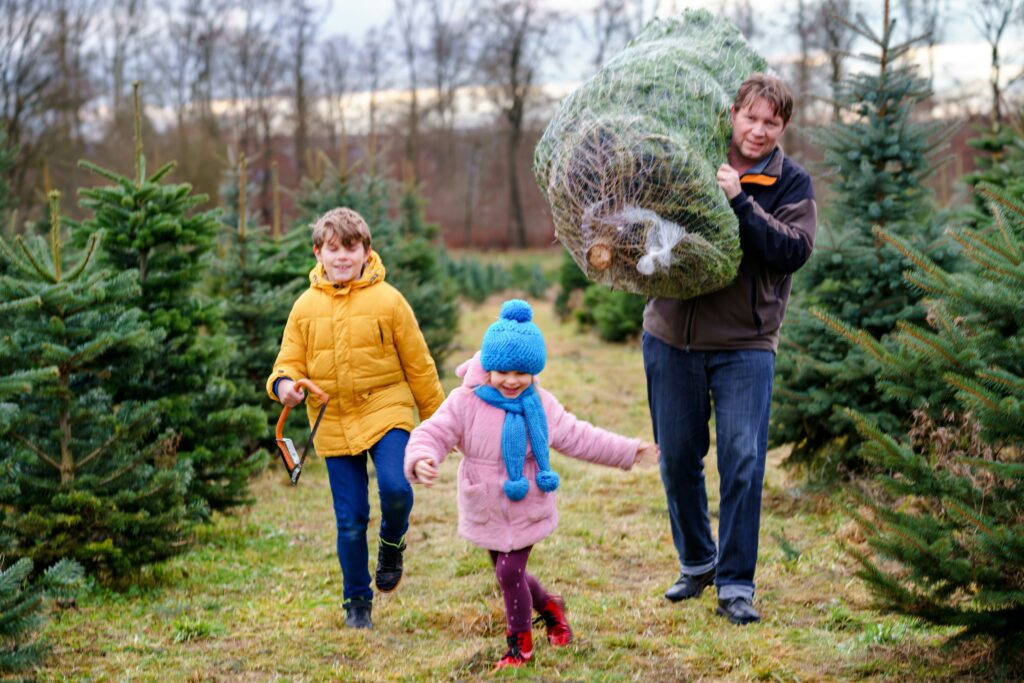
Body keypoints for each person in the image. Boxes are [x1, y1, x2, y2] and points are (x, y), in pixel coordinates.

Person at [642, 73, 817, 625]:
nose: (759, 131)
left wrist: (740, 201)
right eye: (751, 117)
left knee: (743, 461)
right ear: (733, 114)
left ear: (782, 126)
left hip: (746, 344)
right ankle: (697, 561)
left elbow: (792, 251)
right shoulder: (694, 160)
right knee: (678, 459)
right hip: (672, 337)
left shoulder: (791, 183)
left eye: (772, 122)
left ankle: (736, 583)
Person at [404, 299, 659, 669]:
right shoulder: (465, 402)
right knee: (509, 573)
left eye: (521, 373)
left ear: (534, 370)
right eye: (503, 371)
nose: (511, 380)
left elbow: (580, 437)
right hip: (486, 506)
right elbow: (433, 433)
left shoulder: (540, 405)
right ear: (488, 366)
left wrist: (629, 452)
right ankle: (550, 606)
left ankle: (519, 647)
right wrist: (421, 458)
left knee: (509, 572)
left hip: (527, 505)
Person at [267, 207, 445, 630]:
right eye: (333, 249)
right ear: (318, 253)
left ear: (367, 251)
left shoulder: (389, 300)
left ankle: (391, 542)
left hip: (387, 408)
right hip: (332, 420)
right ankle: (357, 602)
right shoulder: (304, 308)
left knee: (396, 487)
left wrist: (439, 424)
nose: (343, 257)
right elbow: (284, 366)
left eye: (351, 248)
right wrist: (285, 387)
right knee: (349, 520)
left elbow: (419, 365)